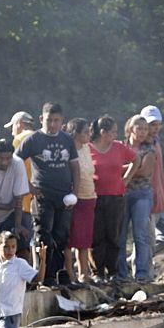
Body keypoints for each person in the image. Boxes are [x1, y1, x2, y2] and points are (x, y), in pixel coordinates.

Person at [17, 102, 80, 285]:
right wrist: (27, 185)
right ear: (41, 119)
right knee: (44, 235)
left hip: (65, 196)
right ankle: (46, 275)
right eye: (49, 120)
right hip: (43, 195)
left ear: (62, 121)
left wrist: (74, 192)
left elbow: (75, 166)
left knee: (62, 236)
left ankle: (60, 273)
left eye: (56, 120)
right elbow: (15, 162)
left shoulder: (67, 139)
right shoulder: (33, 140)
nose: (52, 124)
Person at [88, 116, 131, 280]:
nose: (115, 134)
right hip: (95, 197)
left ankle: (113, 271)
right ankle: (97, 271)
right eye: (112, 131)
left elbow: (136, 160)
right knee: (97, 235)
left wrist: (126, 179)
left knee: (113, 235)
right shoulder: (89, 148)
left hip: (116, 197)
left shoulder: (119, 147)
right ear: (103, 132)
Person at [121, 115, 160, 280]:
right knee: (120, 234)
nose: (144, 132)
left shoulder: (149, 149)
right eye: (140, 128)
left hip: (142, 194)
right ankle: (121, 273)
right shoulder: (121, 147)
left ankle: (141, 273)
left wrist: (119, 168)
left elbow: (145, 170)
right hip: (121, 195)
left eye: (145, 129)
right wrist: (133, 166)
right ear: (130, 129)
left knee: (140, 235)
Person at [139, 106, 164, 245]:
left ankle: (138, 259)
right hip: (147, 201)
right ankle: (140, 262)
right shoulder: (138, 146)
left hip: (161, 199)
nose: (155, 128)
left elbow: (159, 170)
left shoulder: (156, 141)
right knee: (147, 240)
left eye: (158, 125)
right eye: (152, 125)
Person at [64, 118, 98, 281]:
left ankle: (84, 273)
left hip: (89, 197)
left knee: (84, 239)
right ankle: (69, 273)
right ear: (76, 134)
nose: (89, 134)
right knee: (70, 238)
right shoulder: (68, 150)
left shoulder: (86, 148)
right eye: (86, 132)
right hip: (74, 199)